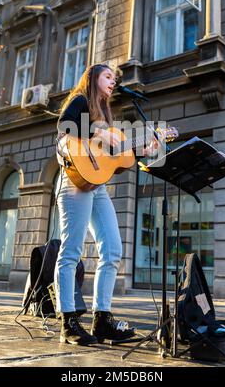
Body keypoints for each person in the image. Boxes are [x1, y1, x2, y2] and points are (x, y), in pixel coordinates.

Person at [54, 63, 158, 345]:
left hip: (97, 187)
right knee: (71, 252)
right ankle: (69, 321)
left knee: (112, 249)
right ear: (93, 78)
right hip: (74, 182)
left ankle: (102, 318)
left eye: (115, 78)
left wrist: (141, 151)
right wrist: (99, 133)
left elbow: (115, 159)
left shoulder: (105, 114)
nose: (114, 81)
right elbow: (64, 126)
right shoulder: (79, 101)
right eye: (108, 76)